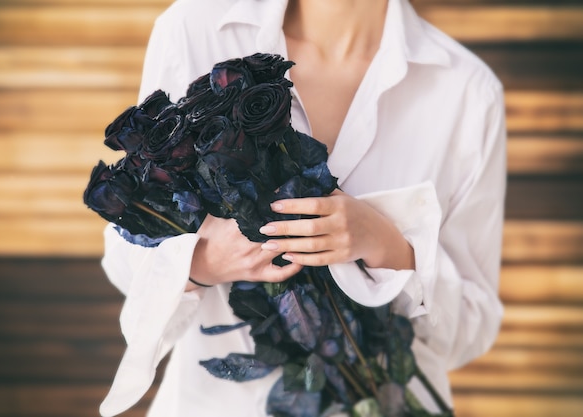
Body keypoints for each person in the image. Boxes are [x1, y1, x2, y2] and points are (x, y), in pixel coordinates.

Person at [98, 0, 507, 416]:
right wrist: (204, 262)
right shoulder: (194, 29)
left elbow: (472, 325)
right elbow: (123, 258)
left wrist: (390, 249)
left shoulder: (468, 93)